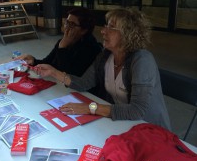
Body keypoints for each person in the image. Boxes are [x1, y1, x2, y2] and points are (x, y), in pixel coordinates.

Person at [36, 8, 171, 130]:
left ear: (127, 34)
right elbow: (84, 83)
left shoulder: (142, 60)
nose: (103, 31)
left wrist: (91, 108)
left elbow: (137, 110)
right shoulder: (106, 55)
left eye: (111, 27)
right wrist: (53, 72)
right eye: (106, 25)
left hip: (150, 130)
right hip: (121, 124)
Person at [17, 7, 103, 88]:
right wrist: (33, 61)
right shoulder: (64, 41)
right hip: (57, 86)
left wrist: (63, 48)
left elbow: (69, 75)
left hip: (76, 92)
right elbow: (48, 62)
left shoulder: (91, 49)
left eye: (72, 25)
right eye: (67, 22)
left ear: (84, 30)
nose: (67, 27)